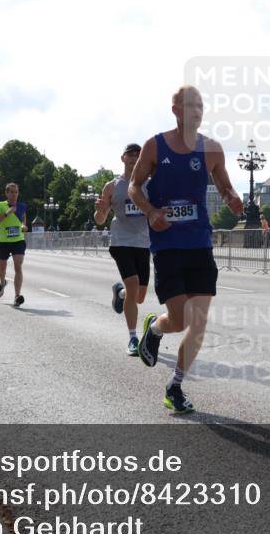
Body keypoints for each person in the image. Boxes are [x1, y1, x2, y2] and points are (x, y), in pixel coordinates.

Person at [129, 85, 244, 413]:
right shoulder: (155, 145)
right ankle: (155, 327)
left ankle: (175, 386)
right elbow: (136, 186)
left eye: (201, 105)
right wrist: (151, 212)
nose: (197, 110)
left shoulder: (211, 149)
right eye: (190, 104)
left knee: (200, 321)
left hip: (199, 244)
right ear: (175, 109)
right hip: (167, 245)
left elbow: (225, 185)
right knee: (178, 320)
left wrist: (232, 198)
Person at [94, 143, 151, 357]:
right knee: (134, 284)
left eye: (138, 154)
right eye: (130, 154)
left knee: (140, 295)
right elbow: (100, 220)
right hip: (120, 241)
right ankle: (133, 338)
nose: (134, 157)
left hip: (143, 242)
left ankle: (120, 293)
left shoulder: (149, 185)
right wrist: (100, 211)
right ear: (123, 158)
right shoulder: (112, 186)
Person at [0, 183, 28, 307]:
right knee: (2, 268)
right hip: (4, 242)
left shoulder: (21, 206)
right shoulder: (0, 205)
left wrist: (23, 226)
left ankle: (17, 296)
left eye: (16, 192)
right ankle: (2, 283)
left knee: (18, 266)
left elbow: (23, 220)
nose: (14, 194)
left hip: (18, 240)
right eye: (11, 192)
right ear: (6, 193)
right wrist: (7, 213)